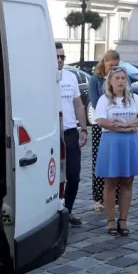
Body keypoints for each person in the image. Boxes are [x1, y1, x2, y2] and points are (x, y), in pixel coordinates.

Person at [94, 67, 138, 236]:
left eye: (123, 78)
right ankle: (110, 220)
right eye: (117, 78)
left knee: (127, 181)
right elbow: (101, 121)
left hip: (130, 142)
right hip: (112, 141)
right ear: (110, 81)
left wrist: (125, 125)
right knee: (110, 182)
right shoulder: (104, 99)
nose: (120, 81)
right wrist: (123, 126)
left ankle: (123, 219)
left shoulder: (134, 98)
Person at [56, 42, 87, 227]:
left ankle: (68, 209)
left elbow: (78, 105)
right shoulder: (42, 76)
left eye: (62, 57)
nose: (60, 60)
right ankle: (52, 212)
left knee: (73, 175)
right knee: (51, 177)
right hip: (50, 134)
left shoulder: (70, 77)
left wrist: (83, 129)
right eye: (56, 56)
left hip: (69, 132)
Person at [88, 49, 120, 211]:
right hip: (100, 124)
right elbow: (95, 102)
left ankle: (116, 197)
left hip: (118, 124)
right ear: (104, 63)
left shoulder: (120, 78)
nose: (114, 68)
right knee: (100, 161)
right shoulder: (96, 79)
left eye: (116, 65)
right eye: (111, 65)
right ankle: (99, 198)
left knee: (117, 161)